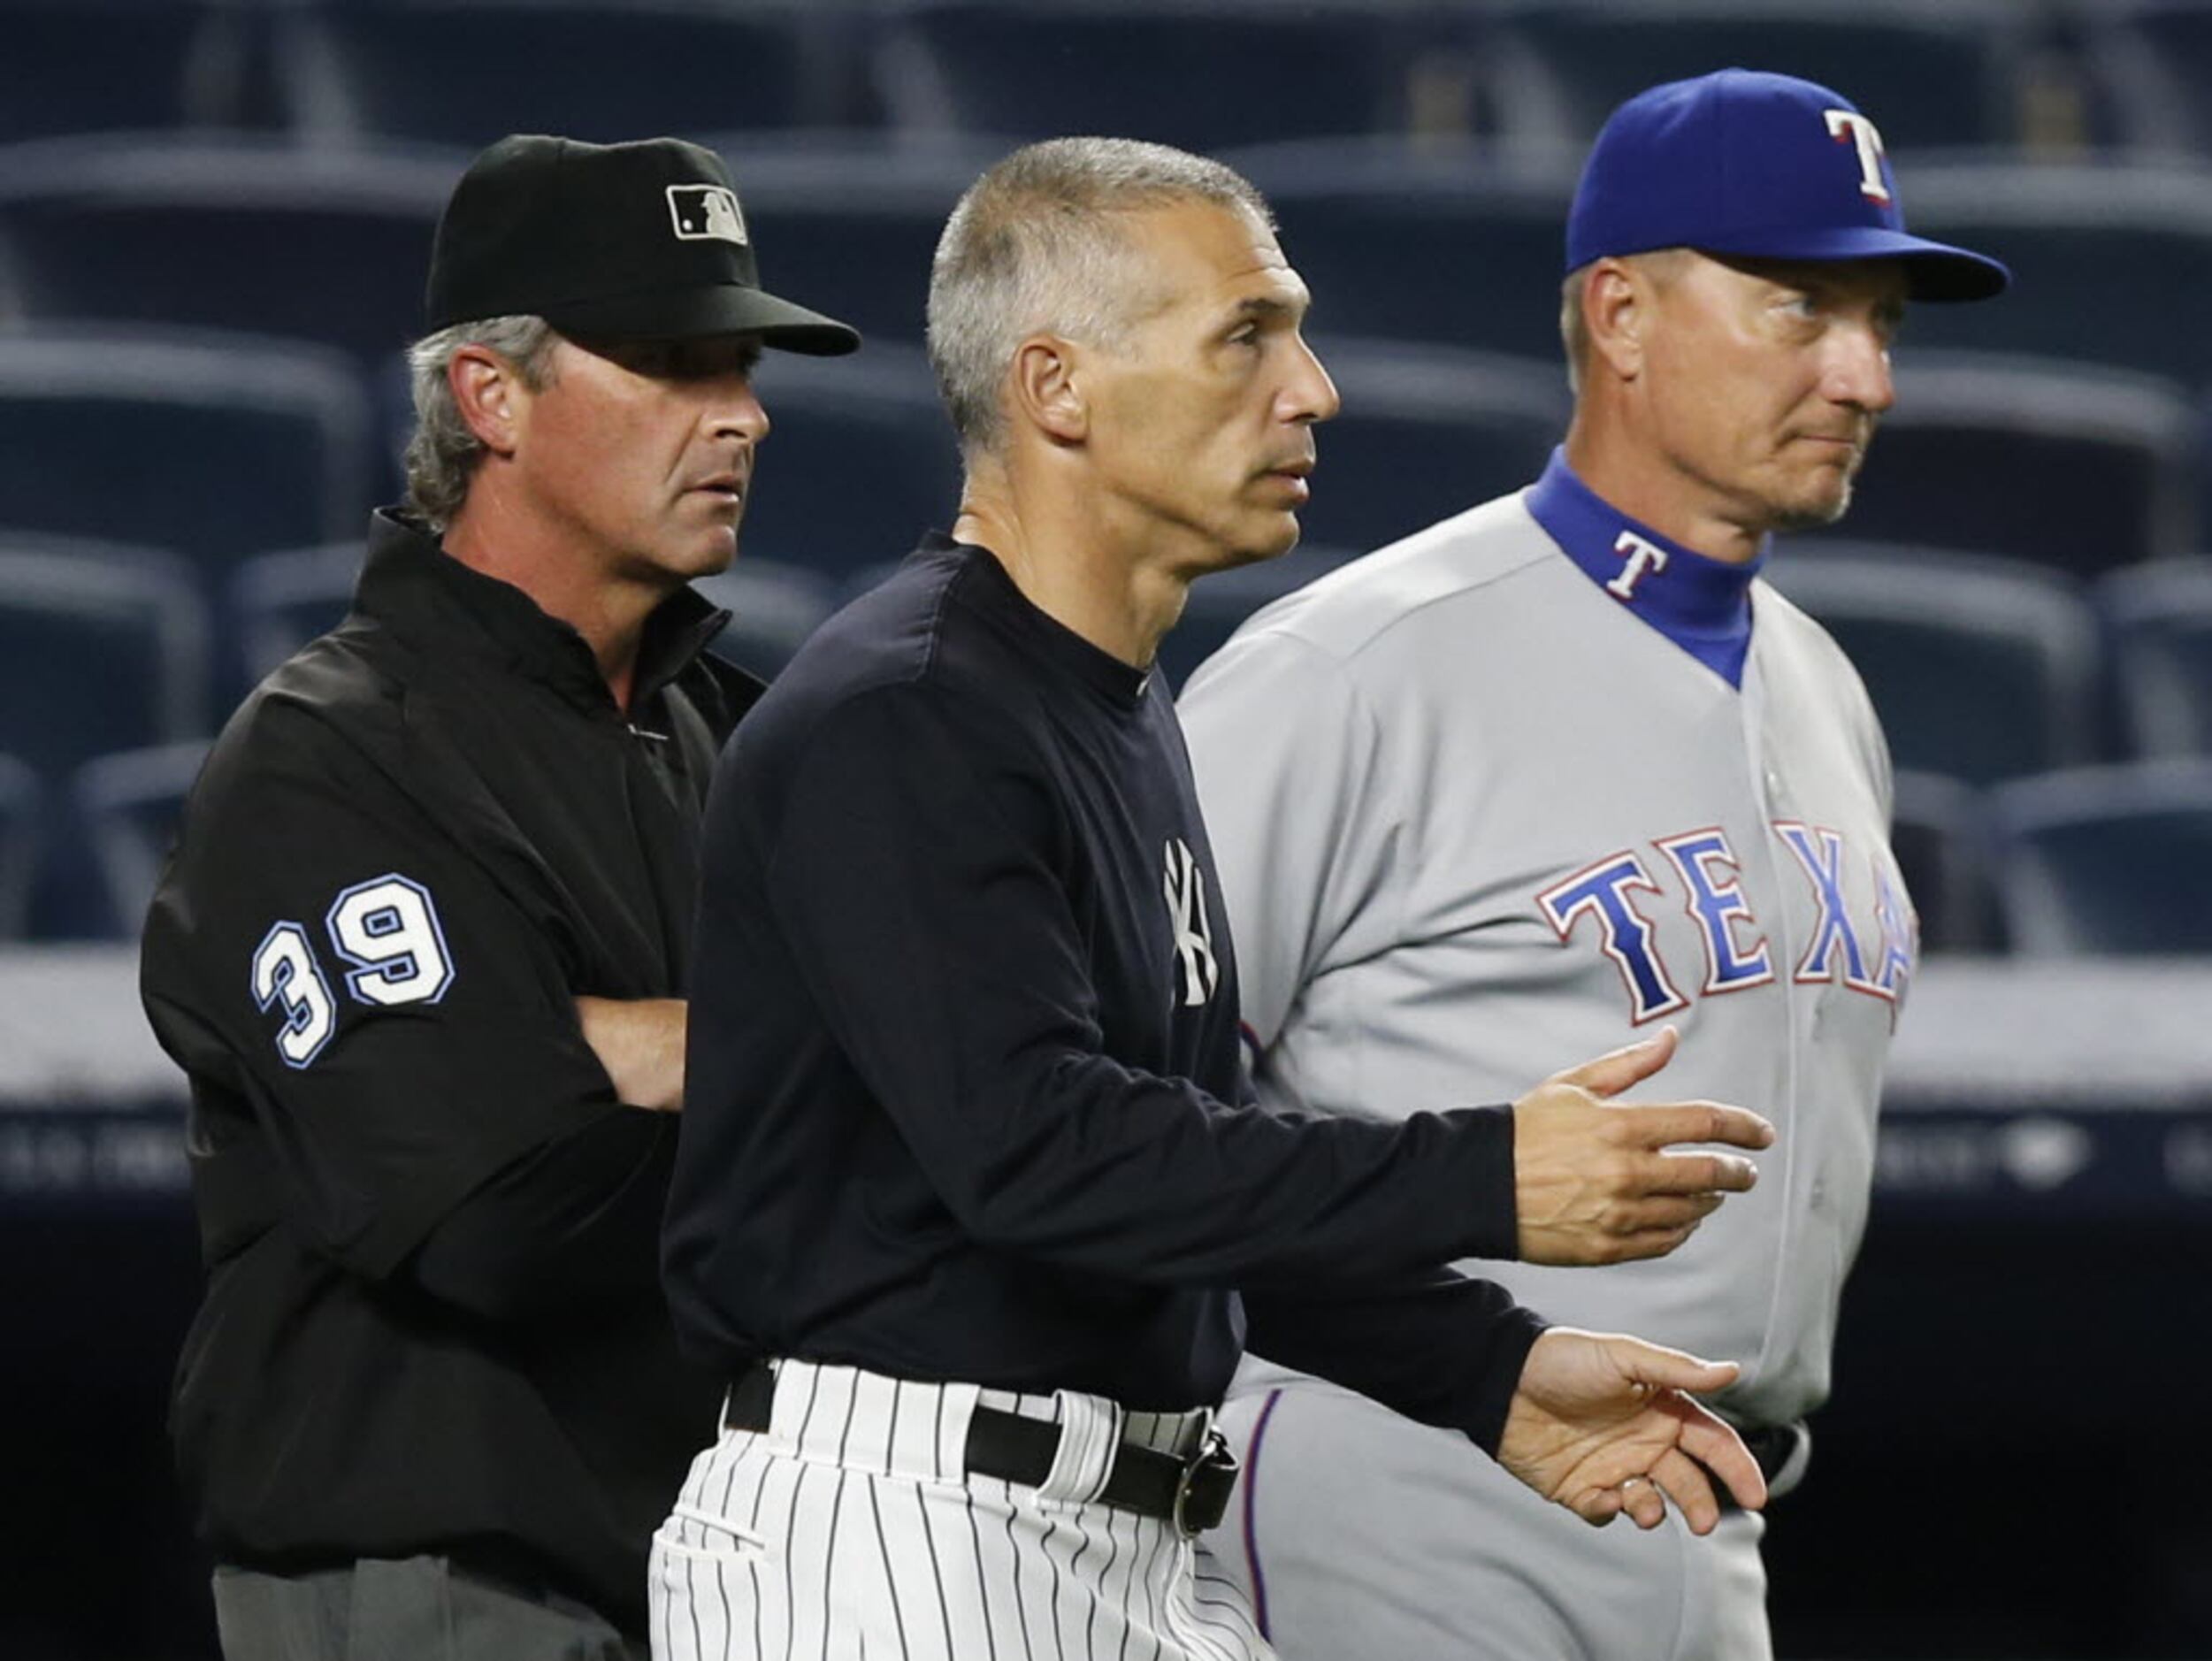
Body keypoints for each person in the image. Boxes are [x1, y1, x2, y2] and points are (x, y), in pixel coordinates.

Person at [654, 135, 1779, 1661]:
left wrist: (1480, 1364)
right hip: (901, 1531)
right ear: (1056, 386)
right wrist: (1486, 1173)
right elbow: (1041, 1152)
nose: (1311, 388)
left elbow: (1179, 1187)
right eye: (1247, 333)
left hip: (1114, 1533)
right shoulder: (905, 711)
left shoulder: (1112, 705)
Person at [1175, 69, 2011, 1661]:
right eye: (1798, 306)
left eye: (1882, 321)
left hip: (1716, 1517)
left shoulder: (1825, 685)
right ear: (1619, 316)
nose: (1864, 375)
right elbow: (1115, 1120)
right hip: (1405, 1478)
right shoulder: (1358, 666)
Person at [139, 134, 858, 1659]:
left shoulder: (734, 732)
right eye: (670, 362)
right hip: (447, 1581)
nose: (739, 415)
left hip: (735, 1575)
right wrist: (804, 1058)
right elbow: (497, 1218)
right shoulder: (325, 758)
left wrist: (639, 1046)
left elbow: (930, 1113)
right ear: (491, 395)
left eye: (743, 369)